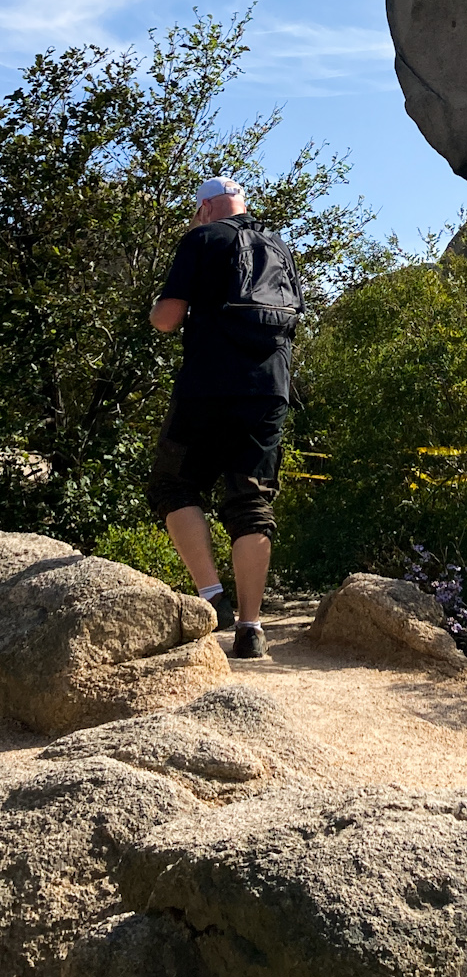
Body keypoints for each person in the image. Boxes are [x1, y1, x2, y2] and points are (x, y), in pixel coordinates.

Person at [147, 177, 303, 659]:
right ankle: (252, 628)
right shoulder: (279, 246)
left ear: (207, 207)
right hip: (269, 389)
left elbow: (167, 319)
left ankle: (213, 597)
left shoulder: (202, 237)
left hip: (208, 386)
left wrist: (156, 308)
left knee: (172, 485)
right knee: (251, 502)